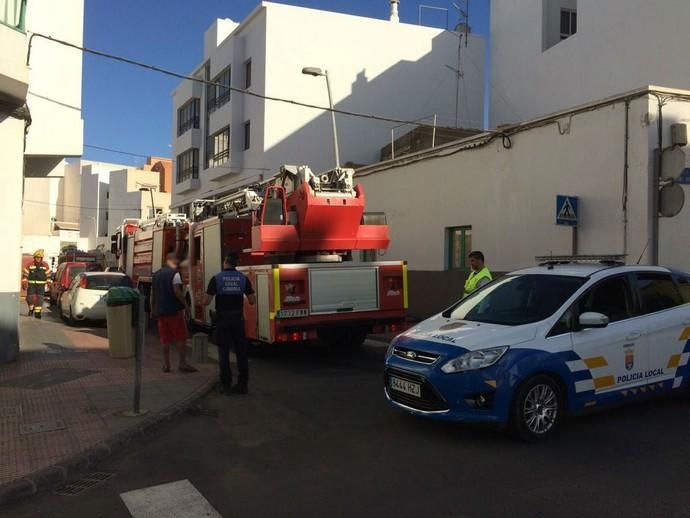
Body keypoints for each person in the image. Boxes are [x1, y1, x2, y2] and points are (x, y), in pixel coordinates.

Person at [204, 253, 256, 395]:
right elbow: (252, 300)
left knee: (224, 352)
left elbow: (206, 301)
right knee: (241, 353)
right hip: (238, 319)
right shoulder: (243, 278)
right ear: (236, 264)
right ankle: (242, 385)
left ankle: (225, 384)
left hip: (222, 319)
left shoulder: (216, 279)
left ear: (225, 262)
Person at [151, 253, 197, 373]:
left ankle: (166, 365)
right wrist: (186, 306)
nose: (178, 263)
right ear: (170, 260)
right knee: (181, 337)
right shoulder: (175, 274)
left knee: (164, 339)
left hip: (160, 311)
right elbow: (177, 290)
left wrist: (153, 309)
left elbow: (153, 295)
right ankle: (182, 363)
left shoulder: (156, 275)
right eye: (176, 260)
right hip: (174, 311)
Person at [22, 250, 51, 319]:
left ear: (42, 258)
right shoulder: (30, 264)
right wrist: (24, 282)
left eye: (39, 258)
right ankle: (31, 309)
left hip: (41, 285)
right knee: (29, 298)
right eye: (37, 257)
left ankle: (37, 313)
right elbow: (25, 274)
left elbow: (48, 275)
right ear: (34, 258)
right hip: (31, 284)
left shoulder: (45, 265)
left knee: (40, 299)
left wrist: (49, 283)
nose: (38, 259)